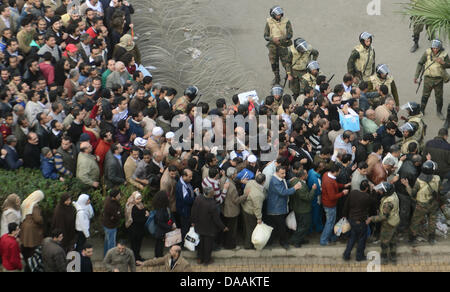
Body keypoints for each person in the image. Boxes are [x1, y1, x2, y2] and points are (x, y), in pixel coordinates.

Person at [266, 165, 302, 249]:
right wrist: (295, 188)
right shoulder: (275, 181)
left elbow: (284, 184)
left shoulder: (278, 178)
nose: (284, 175)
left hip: (278, 208)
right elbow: (283, 192)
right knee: (281, 227)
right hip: (276, 209)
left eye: (285, 173)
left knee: (276, 226)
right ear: (277, 172)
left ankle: (270, 241)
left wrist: (289, 181)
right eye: (282, 173)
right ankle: (283, 242)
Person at [191, 186, 228, 265]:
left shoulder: (198, 198)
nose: (214, 192)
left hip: (199, 226)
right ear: (210, 194)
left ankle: (199, 258)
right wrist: (223, 227)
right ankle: (207, 260)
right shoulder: (212, 204)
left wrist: (193, 221)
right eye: (213, 192)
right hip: (209, 228)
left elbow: (193, 210)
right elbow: (216, 219)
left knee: (200, 243)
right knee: (208, 245)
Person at [408, 160, 441, 246]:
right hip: (433, 203)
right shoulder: (437, 178)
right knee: (432, 221)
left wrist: (407, 186)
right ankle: (431, 238)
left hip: (421, 205)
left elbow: (413, 193)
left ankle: (412, 239)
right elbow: (440, 191)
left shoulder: (419, 180)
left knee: (415, 221)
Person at [414, 39, 450, 118]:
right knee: (425, 96)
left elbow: (449, 65)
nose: (435, 50)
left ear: (440, 48)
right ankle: (422, 110)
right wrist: (416, 76)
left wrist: (443, 62)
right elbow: (420, 63)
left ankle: (439, 112)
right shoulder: (427, 52)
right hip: (428, 79)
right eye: (433, 48)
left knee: (439, 97)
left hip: (439, 79)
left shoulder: (444, 54)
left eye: (436, 48)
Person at [366, 182, 400, 265]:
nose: (380, 191)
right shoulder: (393, 194)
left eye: (381, 190)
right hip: (395, 220)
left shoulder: (388, 203)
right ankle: (393, 257)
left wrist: (371, 218)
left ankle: (384, 257)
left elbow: (384, 217)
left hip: (388, 224)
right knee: (393, 240)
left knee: (384, 241)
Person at [342, 180, 375, 261]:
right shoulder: (367, 197)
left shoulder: (353, 193)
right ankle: (359, 256)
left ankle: (346, 255)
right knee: (361, 239)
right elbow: (374, 202)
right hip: (360, 222)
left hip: (351, 219)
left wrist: (344, 215)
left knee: (352, 237)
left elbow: (346, 205)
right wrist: (373, 190)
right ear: (367, 188)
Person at [320, 164, 350, 246]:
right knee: (329, 223)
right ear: (335, 172)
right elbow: (332, 197)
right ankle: (323, 240)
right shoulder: (330, 182)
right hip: (330, 205)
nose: (339, 173)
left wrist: (344, 185)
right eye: (339, 172)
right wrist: (343, 193)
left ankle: (329, 238)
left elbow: (335, 185)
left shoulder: (326, 175)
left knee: (330, 222)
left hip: (327, 203)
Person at [264, 5, 293, 85]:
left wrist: (281, 39)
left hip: (283, 45)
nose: (279, 16)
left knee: (286, 62)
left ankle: (290, 76)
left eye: (280, 14)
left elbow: (290, 34)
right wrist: (272, 39)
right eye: (277, 15)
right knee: (274, 63)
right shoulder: (269, 22)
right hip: (272, 47)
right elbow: (265, 36)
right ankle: (277, 77)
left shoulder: (286, 21)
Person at [289, 169, 316, 247]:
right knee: (304, 226)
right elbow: (308, 197)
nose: (307, 175)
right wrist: (313, 189)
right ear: (303, 176)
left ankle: (300, 239)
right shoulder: (301, 187)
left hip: (297, 207)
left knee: (300, 226)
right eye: (306, 174)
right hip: (303, 210)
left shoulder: (294, 181)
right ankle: (295, 241)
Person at [222, 167, 247, 250]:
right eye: (236, 174)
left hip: (225, 209)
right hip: (232, 211)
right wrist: (245, 195)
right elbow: (236, 200)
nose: (237, 175)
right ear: (232, 175)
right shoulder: (232, 187)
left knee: (227, 228)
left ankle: (225, 243)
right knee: (232, 230)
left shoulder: (223, 179)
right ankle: (231, 245)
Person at [20, 190, 45, 267]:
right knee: (33, 247)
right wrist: (42, 219)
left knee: (26, 246)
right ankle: (33, 264)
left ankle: (27, 262)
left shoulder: (25, 202)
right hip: (32, 229)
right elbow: (38, 219)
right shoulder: (34, 205)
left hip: (24, 226)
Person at [241, 174, 266, 249]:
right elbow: (257, 208)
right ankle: (248, 245)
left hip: (245, 207)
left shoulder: (250, 182)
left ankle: (246, 241)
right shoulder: (258, 195)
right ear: (264, 182)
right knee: (251, 230)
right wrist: (259, 218)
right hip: (251, 212)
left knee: (247, 227)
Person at [125, 191, 148, 262]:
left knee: (138, 245)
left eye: (140, 198)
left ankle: (137, 257)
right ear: (133, 199)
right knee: (134, 245)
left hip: (139, 229)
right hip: (134, 229)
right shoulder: (132, 207)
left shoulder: (140, 205)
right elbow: (136, 219)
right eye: (137, 199)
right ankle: (134, 259)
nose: (139, 200)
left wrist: (146, 212)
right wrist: (146, 217)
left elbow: (144, 210)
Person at [153, 190, 176, 258]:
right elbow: (160, 222)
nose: (169, 198)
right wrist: (170, 227)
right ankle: (158, 258)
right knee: (159, 246)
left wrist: (173, 222)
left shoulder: (165, 207)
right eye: (167, 197)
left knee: (160, 245)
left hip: (164, 230)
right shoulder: (160, 210)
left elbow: (170, 216)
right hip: (161, 232)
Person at [102, 188, 122, 256]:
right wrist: (118, 213)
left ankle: (106, 256)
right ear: (114, 197)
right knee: (111, 243)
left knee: (107, 242)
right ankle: (111, 258)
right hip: (111, 226)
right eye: (118, 195)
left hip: (106, 224)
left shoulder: (108, 199)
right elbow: (117, 215)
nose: (120, 196)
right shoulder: (111, 205)